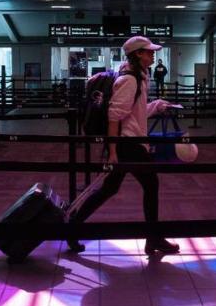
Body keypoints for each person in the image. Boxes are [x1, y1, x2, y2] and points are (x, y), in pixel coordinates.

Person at [67, 36, 180, 256]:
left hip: (128, 142)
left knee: (110, 189)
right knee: (151, 185)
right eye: (148, 51)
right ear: (138, 54)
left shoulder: (138, 76)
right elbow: (114, 117)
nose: (152, 54)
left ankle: (72, 227)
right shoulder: (129, 80)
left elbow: (133, 113)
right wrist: (113, 152)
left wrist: (156, 106)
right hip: (128, 144)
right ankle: (153, 238)